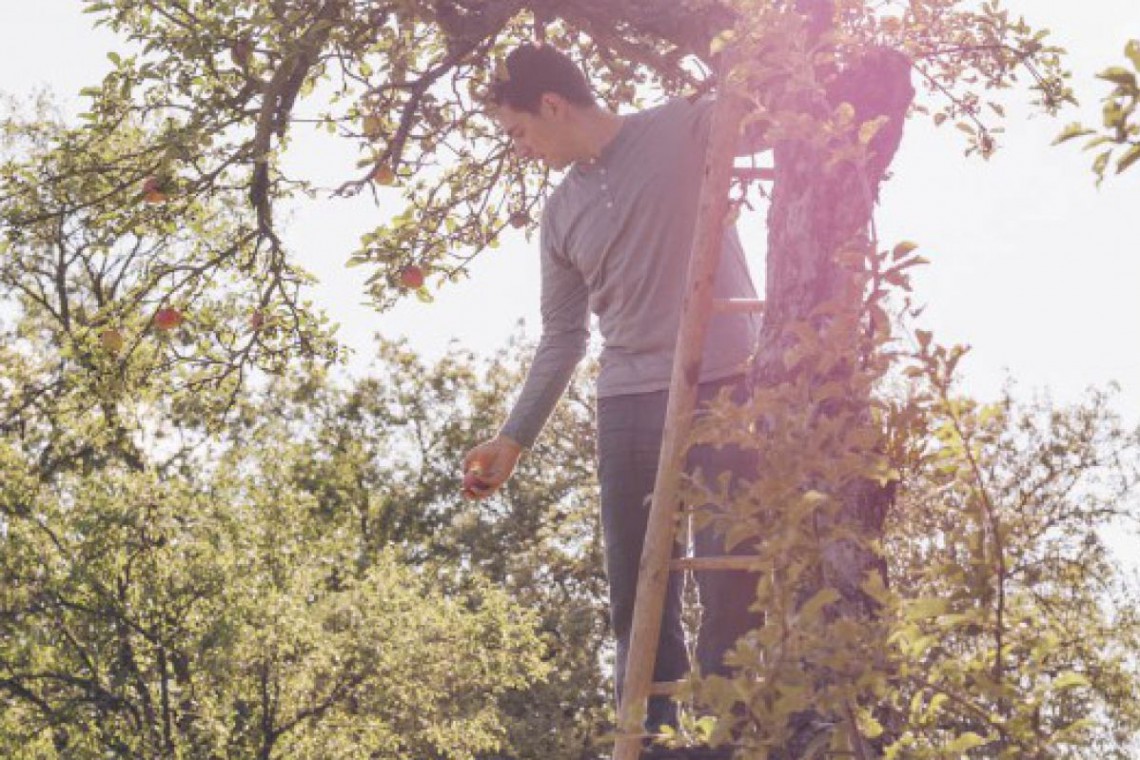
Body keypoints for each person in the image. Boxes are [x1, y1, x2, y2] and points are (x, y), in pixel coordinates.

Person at [461, 43, 763, 756]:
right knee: (637, 588)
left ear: (553, 106)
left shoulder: (684, 127)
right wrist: (514, 438)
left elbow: (762, 95)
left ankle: (734, 739)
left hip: (725, 381)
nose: (522, 148)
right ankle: (653, 743)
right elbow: (563, 337)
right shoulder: (560, 215)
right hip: (628, 400)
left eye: (518, 131)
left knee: (730, 576)